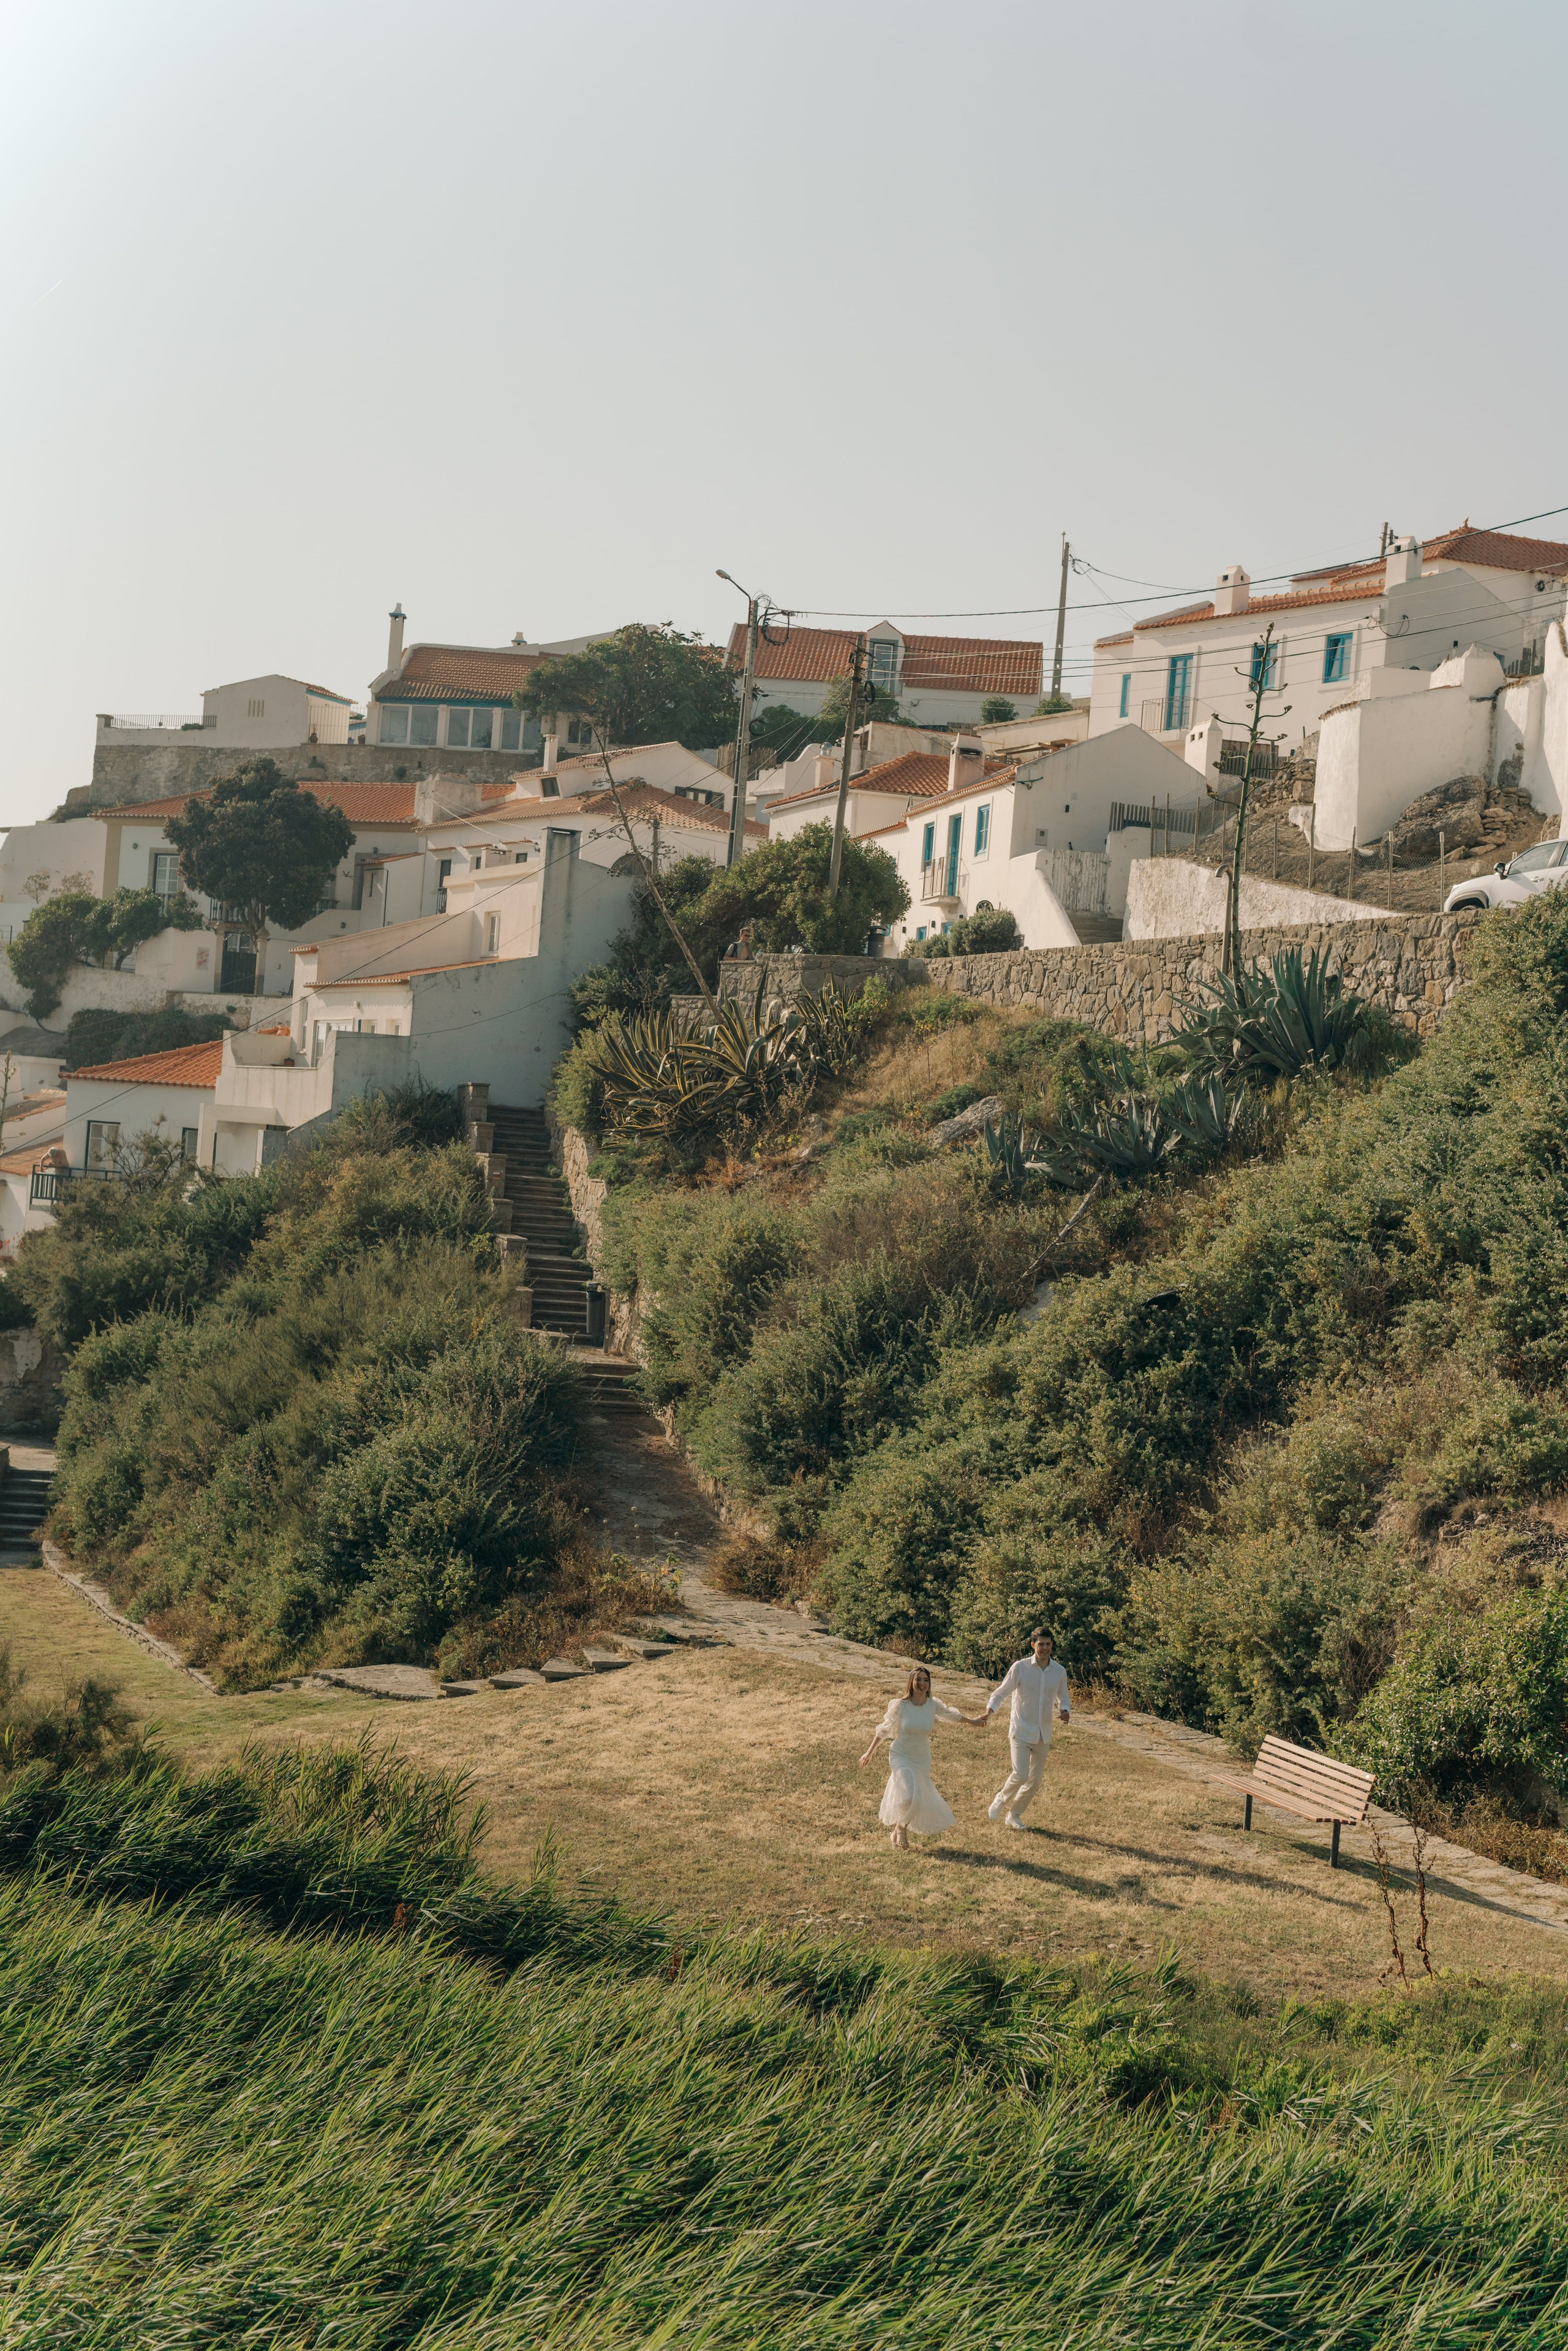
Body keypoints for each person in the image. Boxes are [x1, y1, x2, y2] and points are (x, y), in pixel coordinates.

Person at [858, 1664, 984, 1850]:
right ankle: (902, 1831)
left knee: (918, 1797)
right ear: (911, 1682)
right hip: (901, 1754)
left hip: (922, 1757)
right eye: (918, 1680)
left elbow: (952, 1715)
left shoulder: (932, 1706)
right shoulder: (900, 1705)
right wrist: (869, 1752)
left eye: (926, 1680)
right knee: (910, 1796)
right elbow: (884, 1729)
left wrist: (973, 1721)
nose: (922, 1683)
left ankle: (899, 1827)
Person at [982, 1628, 1071, 1831]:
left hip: (1043, 1734)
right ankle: (1001, 1798)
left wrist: (1065, 1710)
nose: (1045, 1648)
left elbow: (1063, 1697)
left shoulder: (1059, 1671)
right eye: (1041, 1644)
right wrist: (989, 1711)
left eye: (1049, 1644)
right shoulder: (1020, 1667)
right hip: (1021, 1730)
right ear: (1033, 1645)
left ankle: (1014, 1816)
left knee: (1034, 1782)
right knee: (1021, 1774)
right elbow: (1001, 1692)